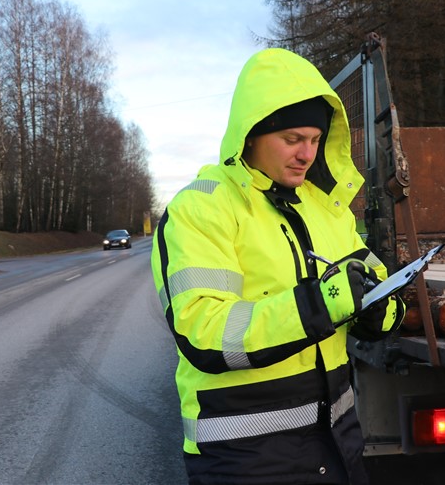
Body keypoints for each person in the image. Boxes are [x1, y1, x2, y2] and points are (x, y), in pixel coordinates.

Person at [151, 48, 403, 485]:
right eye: (292, 139)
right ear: (251, 134)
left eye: (316, 140)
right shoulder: (201, 208)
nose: (307, 154)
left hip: (339, 448)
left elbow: (379, 284)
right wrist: (320, 305)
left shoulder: (325, 210)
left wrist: (378, 311)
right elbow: (203, 332)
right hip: (246, 460)